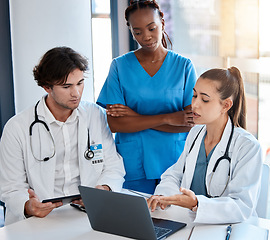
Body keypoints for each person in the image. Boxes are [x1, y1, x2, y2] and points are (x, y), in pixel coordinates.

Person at [0, 47, 125, 225]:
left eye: (80, 83)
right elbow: (11, 187)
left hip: (86, 216)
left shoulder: (95, 115)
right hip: (38, 221)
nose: (76, 93)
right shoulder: (17, 127)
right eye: (67, 86)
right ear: (46, 87)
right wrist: (28, 206)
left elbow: (113, 165)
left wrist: (103, 189)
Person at [97, 0, 197, 194]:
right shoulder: (119, 67)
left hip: (174, 163)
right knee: (135, 221)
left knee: (175, 220)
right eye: (138, 32)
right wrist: (168, 118)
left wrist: (134, 116)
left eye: (151, 28)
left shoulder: (184, 66)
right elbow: (116, 124)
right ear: (131, 31)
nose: (146, 37)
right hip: (133, 164)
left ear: (162, 22)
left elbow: (190, 122)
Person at [147, 67, 263, 224]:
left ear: (226, 105)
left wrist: (196, 204)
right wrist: (164, 196)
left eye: (205, 99)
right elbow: (174, 174)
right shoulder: (195, 134)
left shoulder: (248, 146)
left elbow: (241, 206)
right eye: (194, 95)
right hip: (191, 223)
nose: (194, 105)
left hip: (229, 229)